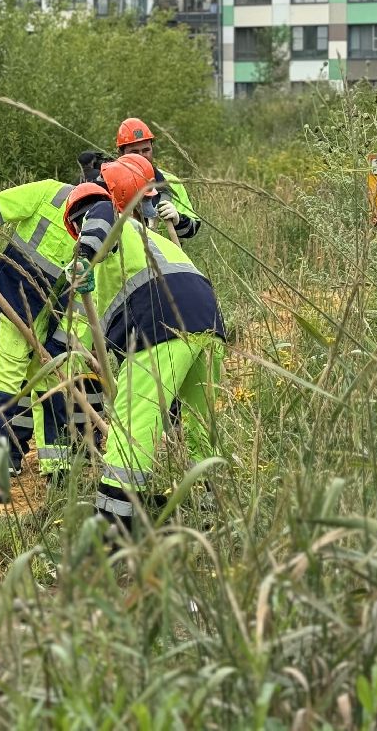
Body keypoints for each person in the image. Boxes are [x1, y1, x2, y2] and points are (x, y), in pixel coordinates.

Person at [63, 154, 226, 531]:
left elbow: (100, 216)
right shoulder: (150, 239)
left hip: (163, 322)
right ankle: (207, 506)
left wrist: (84, 257)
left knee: (132, 424)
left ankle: (111, 528)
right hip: (209, 321)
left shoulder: (107, 217)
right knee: (202, 423)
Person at [0, 179, 78, 501]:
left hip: (60, 316)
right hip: (16, 303)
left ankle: (58, 470)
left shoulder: (108, 224)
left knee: (53, 383)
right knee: (7, 384)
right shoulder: (48, 193)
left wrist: (59, 342)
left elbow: (92, 293)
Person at [113, 118, 202, 242]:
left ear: (152, 148)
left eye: (146, 150)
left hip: (166, 260)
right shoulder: (110, 184)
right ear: (121, 153)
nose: (141, 156)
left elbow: (193, 228)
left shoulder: (171, 182)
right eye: (134, 151)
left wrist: (178, 219)